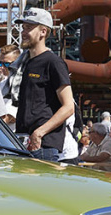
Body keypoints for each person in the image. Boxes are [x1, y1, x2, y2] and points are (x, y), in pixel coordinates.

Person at [13, 8, 75, 161]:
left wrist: (39, 133)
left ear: (43, 31)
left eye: (29, 28)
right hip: (25, 143)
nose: (23, 32)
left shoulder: (53, 62)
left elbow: (68, 107)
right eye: (23, 28)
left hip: (43, 145)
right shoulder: (26, 62)